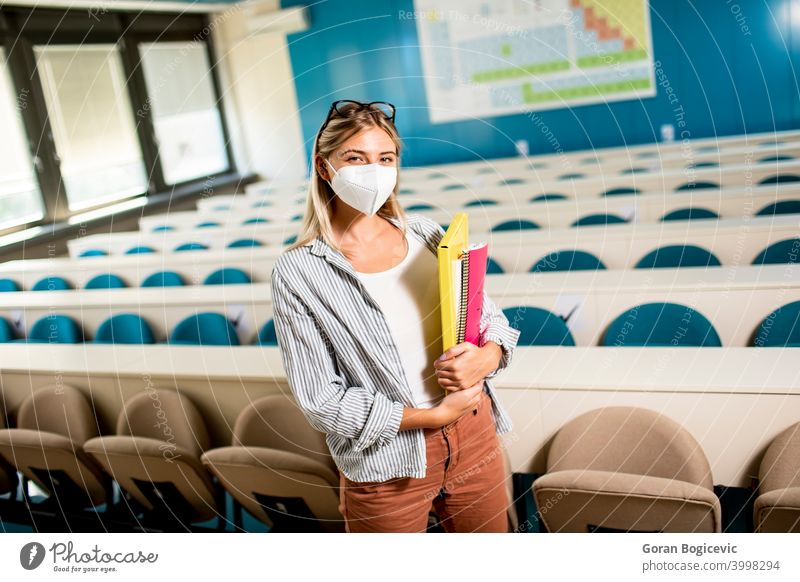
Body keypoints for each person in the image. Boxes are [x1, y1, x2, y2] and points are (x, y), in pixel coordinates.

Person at [270, 100, 521, 533]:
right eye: (356, 158)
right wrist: (432, 417)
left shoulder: (428, 234)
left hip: (474, 432)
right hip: (386, 459)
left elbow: (490, 321)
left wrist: (489, 356)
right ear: (325, 167)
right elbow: (322, 402)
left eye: (385, 158)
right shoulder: (299, 271)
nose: (374, 170)